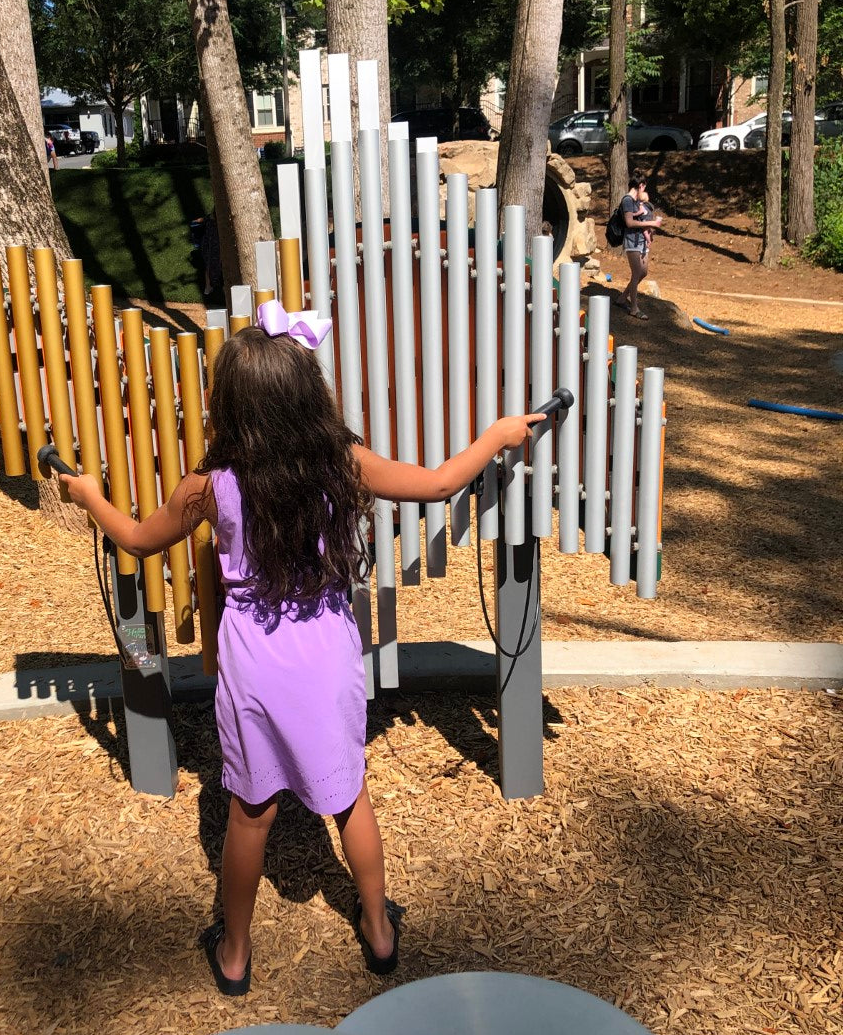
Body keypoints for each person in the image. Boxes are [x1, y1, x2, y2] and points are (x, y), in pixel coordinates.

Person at [57, 305, 544, 996]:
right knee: (347, 795)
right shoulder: (343, 464)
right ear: (309, 392)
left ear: (228, 405)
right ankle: (378, 929)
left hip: (255, 663)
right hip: (326, 653)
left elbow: (135, 540)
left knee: (250, 811)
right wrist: (497, 434)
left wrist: (90, 495)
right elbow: (439, 484)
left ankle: (233, 953)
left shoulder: (208, 488)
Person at [617, 176, 662, 320]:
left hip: (642, 241)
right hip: (632, 241)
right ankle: (634, 308)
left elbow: (640, 218)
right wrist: (653, 224)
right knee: (636, 273)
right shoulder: (627, 200)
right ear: (641, 185)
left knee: (643, 272)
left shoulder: (636, 202)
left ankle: (623, 298)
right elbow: (630, 223)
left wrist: (650, 229)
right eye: (644, 187)